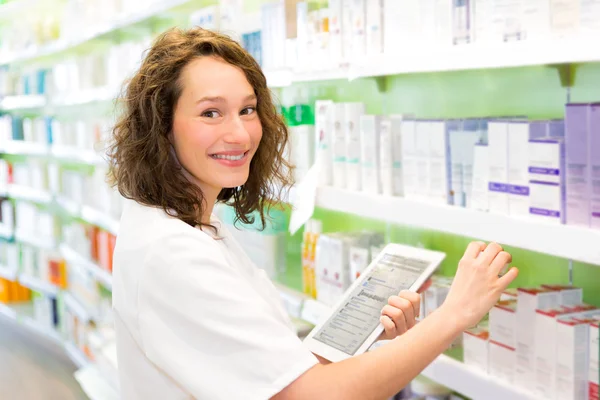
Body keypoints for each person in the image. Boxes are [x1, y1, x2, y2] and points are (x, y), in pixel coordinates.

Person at [108, 27, 518, 400]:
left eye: (248, 109)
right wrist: (453, 315)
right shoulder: (172, 251)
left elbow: (270, 373)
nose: (240, 133)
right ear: (162, 126)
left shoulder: (192, 223)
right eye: (211, 112)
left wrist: (363, 332)